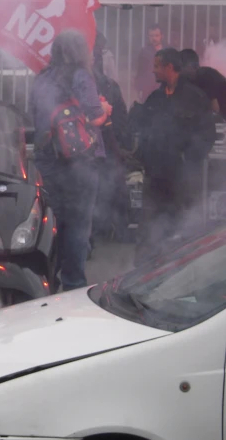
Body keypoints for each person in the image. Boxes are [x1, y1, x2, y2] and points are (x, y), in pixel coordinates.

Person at [31, 30, 111, 292]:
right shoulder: (80, 75)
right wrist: (106, 109)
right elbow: (94, 114)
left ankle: (46, 283)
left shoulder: (42, 78)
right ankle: (74, 286)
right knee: (78, 228)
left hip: (48, 165)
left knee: (51, 226)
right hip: (80, 165)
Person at [131, 48, 216, 266]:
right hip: (155, 179)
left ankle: (178, 274)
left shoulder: (195, 98)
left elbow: (207, 135)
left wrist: (188, 160)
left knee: (181, 231)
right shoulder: (155, 98)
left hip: (182, 182)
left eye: (157, 65)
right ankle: (142, 274)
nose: (153, 70)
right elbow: (144, 131)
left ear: (170, 67)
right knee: (148, 230)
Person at [92, 32, 130, 240]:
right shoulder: (80, 86)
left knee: (113, 186)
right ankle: (102, 229)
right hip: (91, 149)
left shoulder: (109, 86)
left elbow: (121, 118)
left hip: (107, 146)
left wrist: (117, 141)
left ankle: (117, 228)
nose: (97, 57)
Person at [181, 48, 226, 119]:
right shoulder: (187, 80)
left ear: (190, 66)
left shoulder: (206, 75)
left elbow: (214, 110)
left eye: (181, 66)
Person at [136, 24, 166, 103]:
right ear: (148, 37)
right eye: (151, 36)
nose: (154, 38)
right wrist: (140, 88)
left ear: (161, 36)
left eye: (156, 35)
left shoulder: (168, 51)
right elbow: (140, 72)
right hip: (148, 91)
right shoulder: (144, 52)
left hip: (165, 89)